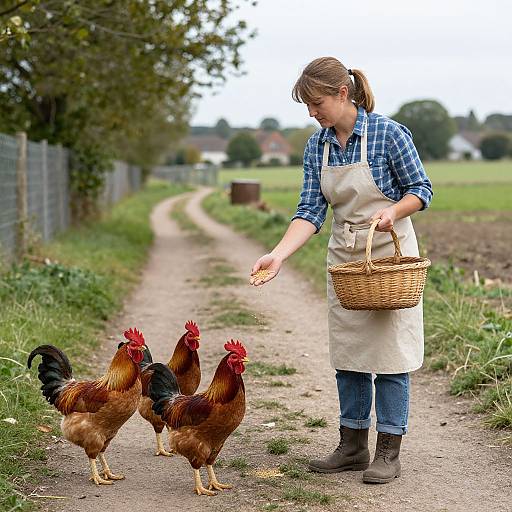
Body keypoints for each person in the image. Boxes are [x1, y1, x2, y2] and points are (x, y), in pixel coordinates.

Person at [249, 57, 433, 484]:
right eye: (308, 106)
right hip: (346, 261)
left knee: (390, 357)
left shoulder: (388, 134)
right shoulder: (319, 146)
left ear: (342, 94)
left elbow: (421, 190)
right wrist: (277, 255)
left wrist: (393, 211)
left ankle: (389, 450)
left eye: (316, 103)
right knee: (348, 356)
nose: (312, 113)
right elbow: (311, 212)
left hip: (390, 257)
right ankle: (352, 445)